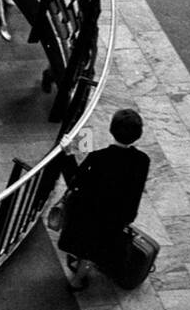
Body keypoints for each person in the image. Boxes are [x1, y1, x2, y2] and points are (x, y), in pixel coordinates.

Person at [56, 108, 150, 290]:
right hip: (117, 215)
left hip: (90, 212)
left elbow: (75, 181)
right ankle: (83, 269)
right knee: (97, 247)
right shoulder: (142, 160)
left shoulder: (98, 158)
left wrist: (67, 154)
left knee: (88, 248)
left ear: (111, 130)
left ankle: (77, 280)